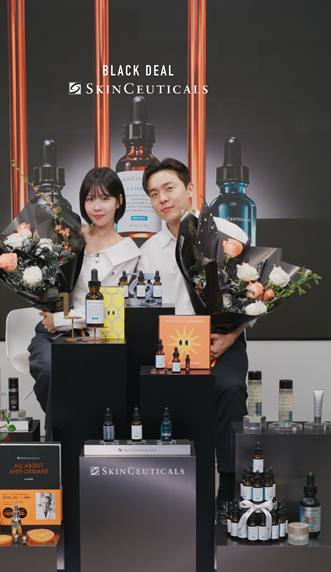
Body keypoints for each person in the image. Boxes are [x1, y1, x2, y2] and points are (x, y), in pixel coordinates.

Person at [138, 157, 248, 506]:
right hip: (173, 345)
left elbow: (254, 295)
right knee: (159, 393)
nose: (163, 199)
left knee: (230, 388)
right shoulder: (149, 251)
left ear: (189, 189)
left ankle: (228, 489)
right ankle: (171, 494)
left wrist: (231, 336)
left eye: (169, 188)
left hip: (223, 339)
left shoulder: (229, 235)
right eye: (154, 194)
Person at [28, 167, 141, 439]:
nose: (97, 207)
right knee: (48, 369)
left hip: (95, 335)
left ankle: (59, 442)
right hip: (52, 331)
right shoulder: (69, 234)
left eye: (105, 198)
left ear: (119, 201)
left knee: (83, 379)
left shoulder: (129, 253)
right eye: (90, 199)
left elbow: (110, 308)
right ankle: (58, 437)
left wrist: (60, 320)